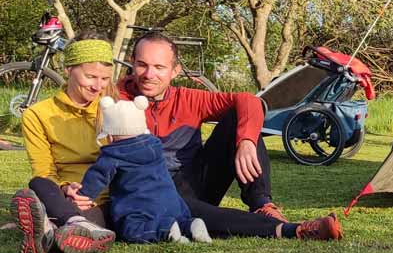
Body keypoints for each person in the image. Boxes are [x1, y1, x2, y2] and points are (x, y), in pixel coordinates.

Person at [75, 30, 340, 241]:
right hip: (146, 195)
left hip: (193, 183)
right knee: (198, 214)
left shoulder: (189, 98)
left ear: (175, 71)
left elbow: (249, 101)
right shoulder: (114, 100)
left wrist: (246, 140)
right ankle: (290, 230)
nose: (149, 75)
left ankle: (262, 204)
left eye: (159, 67)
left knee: (238, 115)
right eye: (142, 65)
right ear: (131, 64)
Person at [9, 37, 118, 253]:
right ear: (69, 69)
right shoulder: (37, 114)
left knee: (87, 223)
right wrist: (66, 188)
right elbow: (43, 169)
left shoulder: (115, 109)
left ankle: (48, 230)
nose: (97, 86)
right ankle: (66, 222)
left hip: (102, 196)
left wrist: (91, 192)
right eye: (90, 77)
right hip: (60, 193)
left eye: (105, 79)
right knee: (38, 183)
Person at [79, 95, 212, 245]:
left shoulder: (113, 153)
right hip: (172, 201)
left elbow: (97, 177)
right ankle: (191, 225)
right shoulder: (154, 144)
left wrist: (82, 195)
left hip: (139, 205)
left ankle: (165, 229)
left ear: (109, 135)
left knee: (131, 229)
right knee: (179, 219)